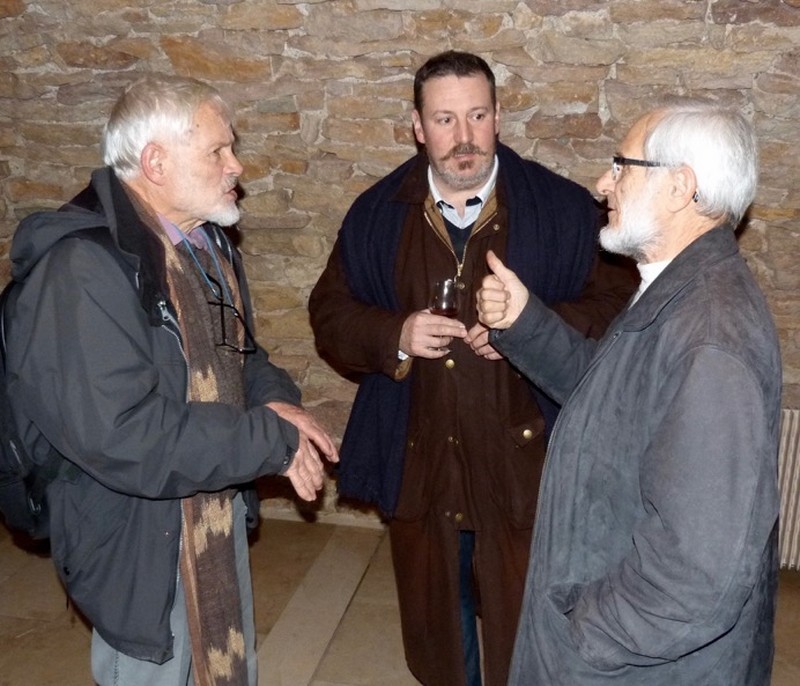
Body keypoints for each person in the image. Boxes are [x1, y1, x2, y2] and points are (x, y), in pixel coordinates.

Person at [308, 50, 634, 686]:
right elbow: (330, 311)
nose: (464, 138)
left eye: (478, 116)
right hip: (422, 452)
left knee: (524, 613)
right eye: (445, 119)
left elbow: (619, 305)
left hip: (525, 460)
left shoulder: (564, 209)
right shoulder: (379, 213)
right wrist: (393, 332)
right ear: (417, 126)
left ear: (498, 117)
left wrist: (532, 329)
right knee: (439, 614)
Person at [4, 73, 338, 686]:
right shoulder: (81, 274)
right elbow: (128, 437)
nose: (237, 165)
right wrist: (269, 440)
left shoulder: (203, 245)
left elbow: (241, 353)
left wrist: (278, 407)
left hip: (210, 505)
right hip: (139, 543)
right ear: (155, 162)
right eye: (218, 151)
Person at [477, 100, 781, 685]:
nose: (601, 184)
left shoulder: (710, 337)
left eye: (622, 167)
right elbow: (613, 401)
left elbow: (696, 574)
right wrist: (525, 323)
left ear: (679, 187)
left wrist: (585, 633)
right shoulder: (678, 288)